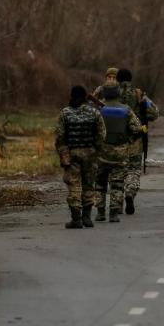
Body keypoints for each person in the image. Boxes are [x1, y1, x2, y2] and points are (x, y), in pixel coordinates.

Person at [54, 86, 106, 229]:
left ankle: (76, 219)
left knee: (74, 185)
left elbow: (59, 136)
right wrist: (97, 150)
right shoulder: (94, 113)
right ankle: (87, 217)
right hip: (90, 153)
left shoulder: (65, 113)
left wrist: (62, 152)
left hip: (72, 154)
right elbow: (101, 135)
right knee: (89, 184)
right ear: (85, 97)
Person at [94, 83, 144, 223]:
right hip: (120, 153)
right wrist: (128, 140)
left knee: (100, 183)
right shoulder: (126, 110)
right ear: (118, 94)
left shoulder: (98, 109)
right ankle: (114, 213)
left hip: (101, 153)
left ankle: (100, 212)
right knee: (117, 183)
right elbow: (137, 129)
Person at [116, 68, 159, 214]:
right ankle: (130, 192)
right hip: (135, 139)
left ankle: (116, 202)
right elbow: (154, 113)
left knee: (117, 170)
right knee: (134, 170)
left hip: (115, 140)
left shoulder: (111, 94)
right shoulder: (139, 94)